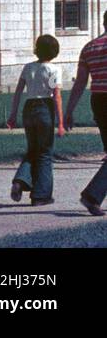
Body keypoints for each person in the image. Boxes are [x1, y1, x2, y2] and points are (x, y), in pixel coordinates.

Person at [7, 34, 65, 205]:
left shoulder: (28, 67)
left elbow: (18, 91)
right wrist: (60, 122)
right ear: (55, 51)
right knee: (45, 153)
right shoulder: (54, 70)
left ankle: (20, 180)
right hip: (44, 107)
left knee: (32, 149)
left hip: (28, 107)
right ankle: (41, 195)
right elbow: (57, 96)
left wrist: (12, 114)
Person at [65, 12, 107, 216]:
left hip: (98, 101)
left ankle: (93, 195)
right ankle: (92, 195)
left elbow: (81, 82)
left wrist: (69, 110)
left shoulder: (89, 47)